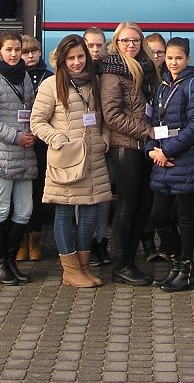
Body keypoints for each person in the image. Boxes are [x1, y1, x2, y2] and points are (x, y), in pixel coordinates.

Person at [30, 34, 111, 288]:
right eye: (71, 58)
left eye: (80, 56)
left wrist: (104, 139)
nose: (76, 62)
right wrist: (58, 139)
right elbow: (37, 122)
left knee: (90, 212)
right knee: (64, 212)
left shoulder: (96, 82)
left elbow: (104, 118)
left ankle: (83, 268)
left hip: (93, 158)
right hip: (66, 159)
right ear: (62, 60)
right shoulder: (51, 85)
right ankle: (70, 271)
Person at [145, 37, 194, 292]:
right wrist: (152, 151)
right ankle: (176, 261)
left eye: (178, 58)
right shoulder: (162, 86)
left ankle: (187, 271)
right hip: (162, 162)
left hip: (186, 162)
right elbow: (154, 125)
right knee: (159, 216)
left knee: (185, 217)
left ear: (188, 59)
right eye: (169, 58)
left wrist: (166, 150)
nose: (173, 62)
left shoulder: (193, 84)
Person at [0, 31, 37, 285]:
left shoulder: (24, 74)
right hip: (0, 154)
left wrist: (33, 130)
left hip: (24, 153)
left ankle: (10, 261)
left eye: (17, 49)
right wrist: (16, 136)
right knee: (0, 207)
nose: (14, 54)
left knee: (25, 210)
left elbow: (31, 108)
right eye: (9, 49)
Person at [100, 22, 157, 286]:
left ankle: (130, 261)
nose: (131, 45)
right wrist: (147, 131)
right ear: (116, 43)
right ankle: (121, 264)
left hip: (144, 147)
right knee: (127, 205)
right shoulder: (113, 71)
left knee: (143, 204)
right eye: (125, 41)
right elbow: (112, 116)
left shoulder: (147, 67)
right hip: (126, 146)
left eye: (135, 40)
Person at [82, 26, 112, 267]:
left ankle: (101, 241)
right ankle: (84, 243)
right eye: (90, 45)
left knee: (103, 197)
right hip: (79, 144)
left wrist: (105, 137)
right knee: (81, 197)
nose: (94, 50)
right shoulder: (72, 70)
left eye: (98, 45)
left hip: (103, 142)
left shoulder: (110, 70)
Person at [19, 34, 51, 263]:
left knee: (38, 193)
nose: (30, 56)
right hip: (20, 141)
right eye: (25, 52)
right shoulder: (14, 76)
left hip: (42, 144)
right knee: (21, 195)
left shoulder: (49, 77)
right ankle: (20, 239)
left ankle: (35, 239)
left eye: (34, 51)